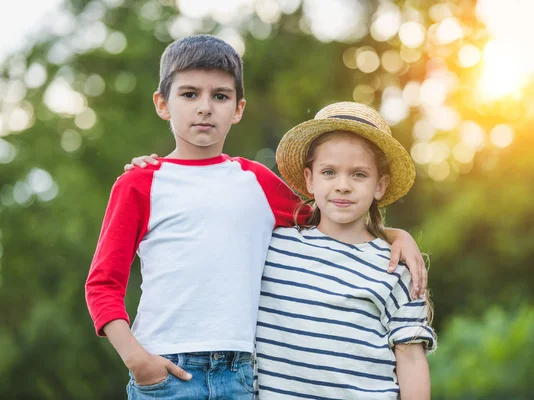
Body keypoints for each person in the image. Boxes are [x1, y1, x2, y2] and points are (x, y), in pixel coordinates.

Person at [89, 34, 426, 400]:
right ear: (162, 103)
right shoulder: (140, 182)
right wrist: (137, 359)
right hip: (166, 368)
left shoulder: (257, 183)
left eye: (220, 96)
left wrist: (393, 234)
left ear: (238, 108)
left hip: (241, 373)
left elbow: (328, 217)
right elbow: (103, 283)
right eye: (189, 94)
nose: (205, 107)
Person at [255, 102, 436, 399]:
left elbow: (412, 361)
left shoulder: (397, 267)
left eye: (359, 175)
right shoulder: (274, 246)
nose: (343, 186)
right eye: (329, 172)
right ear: (310, 179)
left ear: (380, 185)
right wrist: (151, 169)